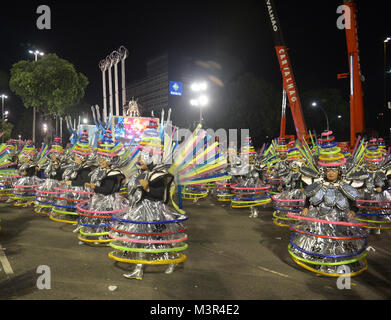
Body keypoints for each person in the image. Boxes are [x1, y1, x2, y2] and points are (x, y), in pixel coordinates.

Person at [288, 130, 368, 277]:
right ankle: (320, 265)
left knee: (338, 243)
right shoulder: (318, 183)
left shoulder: (344, 185)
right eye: (328, 170)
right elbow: (309, 196)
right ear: (323, 171)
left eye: (334, 170)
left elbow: (353, 201)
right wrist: (306, 208)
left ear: (339, 171)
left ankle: (339, 265)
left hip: (339, 220)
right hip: (320, 219)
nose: (331, 173)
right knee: (320, 242)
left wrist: (353, 211)